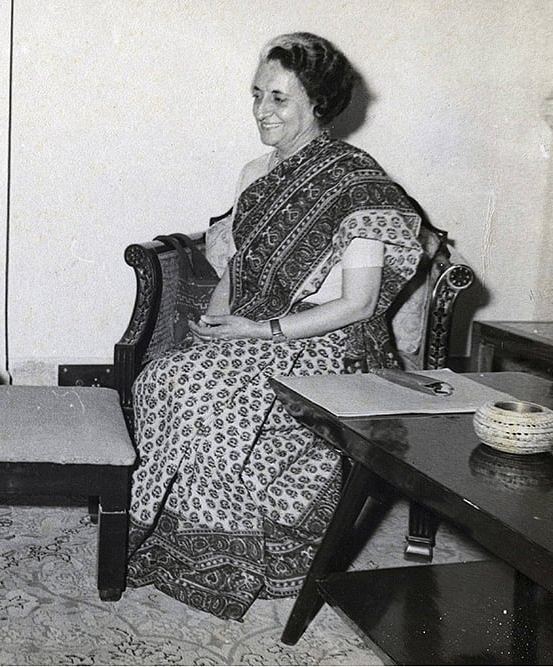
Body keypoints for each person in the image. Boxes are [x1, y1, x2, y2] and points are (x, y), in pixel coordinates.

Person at [126, 33, 424, 620]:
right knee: (161, 379)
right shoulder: (255, 173)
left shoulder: (356, 183)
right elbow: (240, 266)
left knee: (203, 396)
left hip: (325, 344)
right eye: (257, 94)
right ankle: (170, 542)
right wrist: (217, 321)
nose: (262, 109)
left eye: (279, 98)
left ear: (318, 103)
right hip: (253, 329)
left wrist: (257, 333)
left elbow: (360, 303)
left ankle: (233, 556)